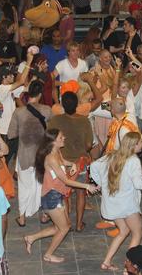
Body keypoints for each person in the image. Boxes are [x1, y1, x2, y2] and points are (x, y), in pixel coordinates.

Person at [23, 129, 98, 263]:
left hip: (57, 195)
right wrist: (87, 186)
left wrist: (73, 164)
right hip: (51, 197)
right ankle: (48, 255)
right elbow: (66, 180)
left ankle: (31, 238)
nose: (64, 138)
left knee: (61, 226)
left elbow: (64, 162)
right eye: (61, 137)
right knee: (64, 228)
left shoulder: (57, 151)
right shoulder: (50, 158)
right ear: (53, 141)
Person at [90, 132, 142, 270]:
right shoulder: (133, 161)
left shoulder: (111, 155)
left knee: (123, 231)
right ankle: (129, 268)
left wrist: (101, 184)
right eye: (140, 142)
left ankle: (106, 262)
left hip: (112, 205)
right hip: (127, 206)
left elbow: (93, 167)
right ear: (134, 145)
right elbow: (138, 185)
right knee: (137, 233)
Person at [46, 92, 94, 232]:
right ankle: (79, 224)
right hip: (80, 162)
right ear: (77, 105)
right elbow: (89, 145)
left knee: (64, 193)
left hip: (62, 162)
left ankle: (66, 223)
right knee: (81, 192)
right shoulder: (84, 121)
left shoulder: (55, 121)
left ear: (62, 105)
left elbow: (49, 139)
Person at [8, 80, 51, 227]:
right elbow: (51, 133)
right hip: (42, 154)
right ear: (40, 94)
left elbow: (11, 135)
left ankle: (21, 217)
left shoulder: (18, 112)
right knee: (43, 185)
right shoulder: (47, 110)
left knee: (24, 186)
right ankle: (45, 214)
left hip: (24, 154)